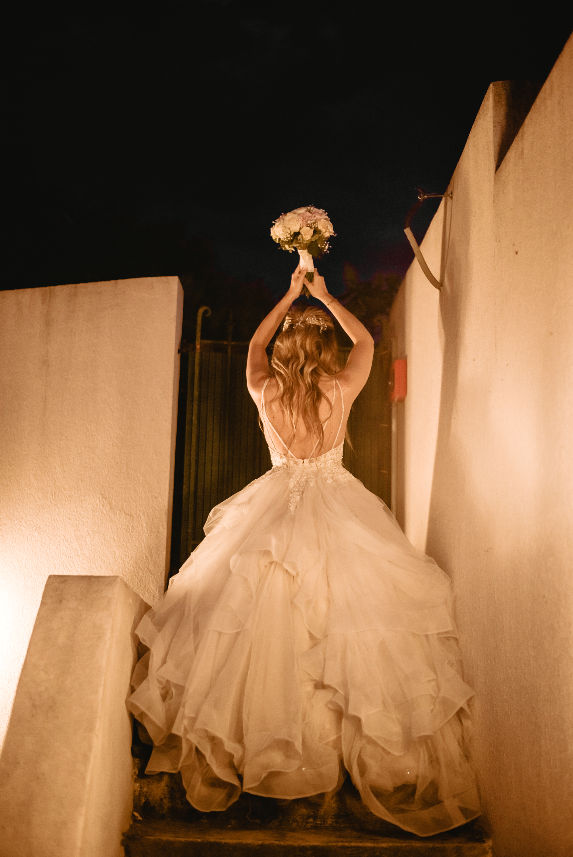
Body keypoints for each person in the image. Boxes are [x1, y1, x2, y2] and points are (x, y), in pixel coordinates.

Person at [126, 263, 481, 837]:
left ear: (287, 348)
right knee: (348, 626)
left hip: (273, 505)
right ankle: (327, 761)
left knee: (261, 626)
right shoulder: (340, 388)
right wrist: (324, 295)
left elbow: (257, 343)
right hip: (338, 503)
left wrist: (289, 293)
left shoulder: (265, 390)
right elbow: (364, 338)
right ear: (324, 348)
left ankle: (266, 756)